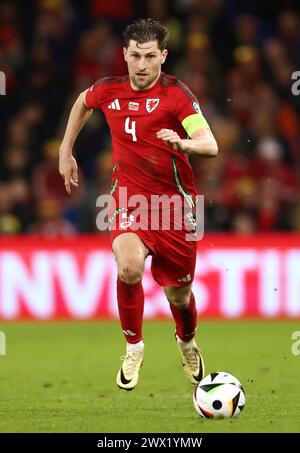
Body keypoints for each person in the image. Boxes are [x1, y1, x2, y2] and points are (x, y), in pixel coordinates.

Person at [59, 18, 218, 391]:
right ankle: (133, 347)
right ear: (124, 55)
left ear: (163, 56)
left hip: (176, 208)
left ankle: (186, 342)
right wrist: (67, 149)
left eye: (150, 56)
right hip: (128, 199)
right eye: (135, 56)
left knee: (178, 296)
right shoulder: (109, 90)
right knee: (128, 266)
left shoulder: (178, 95)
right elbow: (83, 102)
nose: (142, 65)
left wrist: (184, 144)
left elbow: (210, 144)